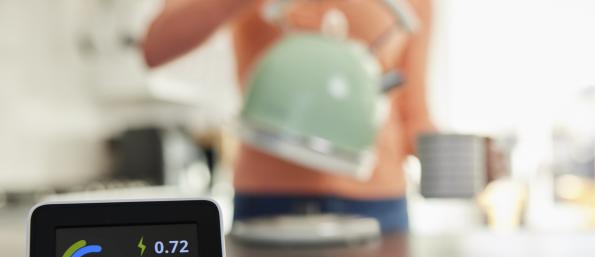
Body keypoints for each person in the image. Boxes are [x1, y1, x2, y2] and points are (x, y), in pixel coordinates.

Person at [143, 0, 435, 232]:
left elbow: (413, 111)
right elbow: (155, 47)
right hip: (269, 197)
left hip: (378, 202)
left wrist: (456, 159)